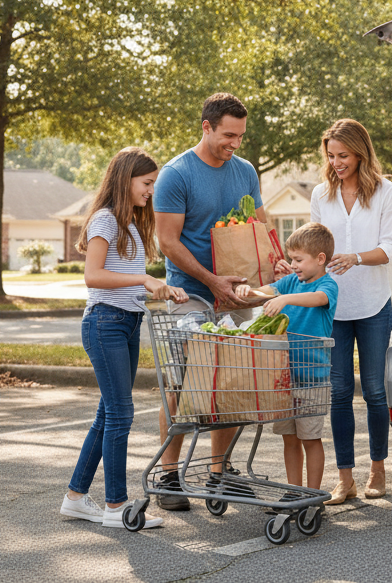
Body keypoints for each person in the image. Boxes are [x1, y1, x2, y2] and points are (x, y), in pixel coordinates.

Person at [150, 92, 268, 511]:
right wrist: (211, 281)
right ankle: (167, 475)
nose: (235, 144)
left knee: (234, 382)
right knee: (185, 381)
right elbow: (167, 241)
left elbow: (257, 225)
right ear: (206, 126)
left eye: (240, 136)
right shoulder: (176, 174)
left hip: (234, 294)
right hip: (191, 293)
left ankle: (219, 473)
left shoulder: (245, 171)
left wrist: (276, 261)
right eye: (228, 135)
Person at [61, 146, 187, 530]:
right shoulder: (105, 220)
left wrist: (156, 288)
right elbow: (93, 277)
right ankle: (115, 507)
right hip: (105, 323)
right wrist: (143, 279)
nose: (151, 191)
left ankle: (76, 498)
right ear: (126, 178)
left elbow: (122, 279)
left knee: (107, 413)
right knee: (120, 414)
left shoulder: (130, 221)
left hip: (127, 321)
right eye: (147, 183)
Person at [308, 119, 392, 504]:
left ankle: (377, 468)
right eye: (331, 156)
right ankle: (344, 478)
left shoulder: (386, 192)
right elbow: (315, 245)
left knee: (376, 392)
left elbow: (389, 250)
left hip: (374, 303)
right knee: (340, 391)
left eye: (343, 155)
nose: (336, 163)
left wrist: (356, 258)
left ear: (360, 152)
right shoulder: (320, 194)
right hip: (333, 306)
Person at [236, 222, 339, 491]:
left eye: (298, 260)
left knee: (310, 440)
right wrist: (250, 292)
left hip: (312, 379)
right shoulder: (291, 282)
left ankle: (312, 495)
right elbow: (268, 291)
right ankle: (294, 492)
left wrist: (286, 299)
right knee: (289, 439)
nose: (293, 265)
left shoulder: (327, 285)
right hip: (283, 377)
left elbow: (317, 299)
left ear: (320, 259)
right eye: (291, 258)